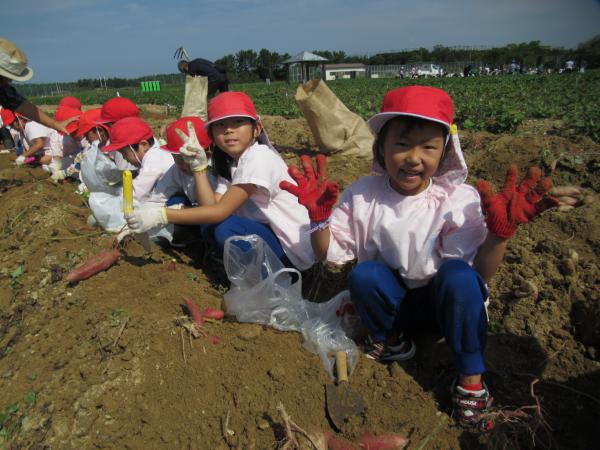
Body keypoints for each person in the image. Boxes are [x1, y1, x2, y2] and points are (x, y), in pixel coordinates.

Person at [280, 86, 558, 430]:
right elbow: (329, 255)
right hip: (395, 307)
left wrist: (498, 236)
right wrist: (319, 219)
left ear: (445, 152)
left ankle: (471, 381)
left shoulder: (457, 199)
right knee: (365, 275)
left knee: (458, 274)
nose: (414, 158)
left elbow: (478, 278)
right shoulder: (363, 195)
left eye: (428, 147)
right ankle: (392, 341)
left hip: (445, 308)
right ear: (381, 148)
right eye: (401, 144)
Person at [124, 92, 314, 270]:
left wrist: (161, 215)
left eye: (238, 122)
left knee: (226, 227)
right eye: (220, 125)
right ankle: (239, 267)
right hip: (272, 236)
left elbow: (219, 212)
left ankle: (269, 277)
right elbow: (209, 207)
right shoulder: (231, 163)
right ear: (212, 135)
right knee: (210, 224)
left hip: (293, 251)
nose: (229, 130)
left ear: (256, 129)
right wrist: (199, 169)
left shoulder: (259, 157)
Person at [0, 37, 75, 134]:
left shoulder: (3, 89)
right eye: (8, 76)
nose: (10, 81)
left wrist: (55, 124)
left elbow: (21, 105)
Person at [101, 116, 174, 203]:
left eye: (125, 153)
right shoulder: (157, 154)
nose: (124, 158)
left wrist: (110, 195)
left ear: (144, 145)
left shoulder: (153, 160)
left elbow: (136, 193)